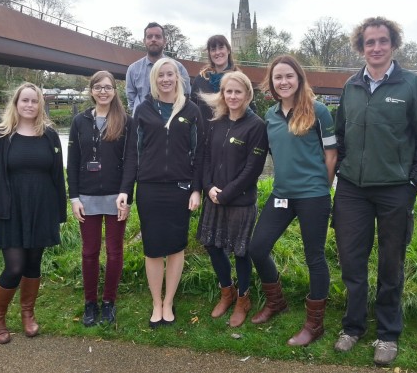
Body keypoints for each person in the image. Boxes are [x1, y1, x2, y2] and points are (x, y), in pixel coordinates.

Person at [333, 17, 417, 366]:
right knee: (351, 261)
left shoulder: (412, 84)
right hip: (352, 190)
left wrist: (414, 183)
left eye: (382, 41)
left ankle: (387, 333)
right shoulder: (350, 86)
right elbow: (340, 136)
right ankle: (352, 327)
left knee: (390, 263)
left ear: (393, 45)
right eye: (369, 42)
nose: (376, 48)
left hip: (396, 189)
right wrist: (342, 175)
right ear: (361, 47)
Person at [249, 55, 337, 347]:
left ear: (299, 79)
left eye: (289, 76)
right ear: (271, 83)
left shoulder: (319, 111)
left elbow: (331, 155)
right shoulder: (271, 116)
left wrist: (321, 188)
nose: (283, 82)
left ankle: (314, 324)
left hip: (313, 195)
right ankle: (277, 303)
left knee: (315, 257)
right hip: (281, 194)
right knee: (258, 247)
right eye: (278, 77)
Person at [117, 57, 204, 328]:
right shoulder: (143, 110)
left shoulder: (191, 111)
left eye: (171, 74)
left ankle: (170, 301)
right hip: (149, 188)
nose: (166, 79)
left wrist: (196, 189)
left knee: (176, 247)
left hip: (180, 188)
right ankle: (156, 302)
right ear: (154, 79)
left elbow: (200, 154)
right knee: (153, 248)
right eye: (161, 75)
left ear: (178, 78)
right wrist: (125, 191)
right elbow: (133, 154)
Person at [0, 82, 67, 344]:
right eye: (24, 100)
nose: (29, 105)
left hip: (41, 207)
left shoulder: (49, 135)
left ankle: (27, 314)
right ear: (16, 104)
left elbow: (56, 177)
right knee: (14, 267)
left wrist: (59, 214)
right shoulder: (0, 136)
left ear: (41, 105)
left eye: (34, 101)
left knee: (33, 264)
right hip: (10, 209)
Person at [195, 72, 268, 328]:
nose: (233, 96)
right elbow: (204, 157)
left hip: (240, 202)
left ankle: (243, 299)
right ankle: (226, 291)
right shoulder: (216, 122)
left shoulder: (257, 125)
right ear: (222, 94)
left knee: (240, 251)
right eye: (229, 91)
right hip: (214, 197)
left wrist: (226, 194)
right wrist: (208, 187)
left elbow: (253, 169)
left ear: (247, 95)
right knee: (213, 246)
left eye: (238, 92)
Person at [67, 71, 133, 327]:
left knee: (115, 252)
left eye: (108, 87)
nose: (103, 91)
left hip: (117, 197)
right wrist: (73, 197)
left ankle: (109, 302)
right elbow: (72, 163)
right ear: (91, 91)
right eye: (98, 87)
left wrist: (127, 195)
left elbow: (130, 163)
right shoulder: (79, 121)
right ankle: (90, 303)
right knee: (89, 251)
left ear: (115, 91)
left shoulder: (126, 121)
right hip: (86, 196)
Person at [126, 22, 191, 113]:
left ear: (165, 41)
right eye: (149, 37)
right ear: (144, 41)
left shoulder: (178, 68)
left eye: (158, 36)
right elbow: (131, 97)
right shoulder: (133, 69)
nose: (153, 39)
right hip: (142, 121)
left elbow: (185, 95)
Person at [191, 35, 239, 130]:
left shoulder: (238, 79)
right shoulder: (201, 79)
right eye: (213, 49)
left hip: (230, 137)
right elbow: (192, 109)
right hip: (204, 137)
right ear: (209, 53)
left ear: (228, 50)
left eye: (221, 48)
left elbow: (250, 110)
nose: (217, 52)